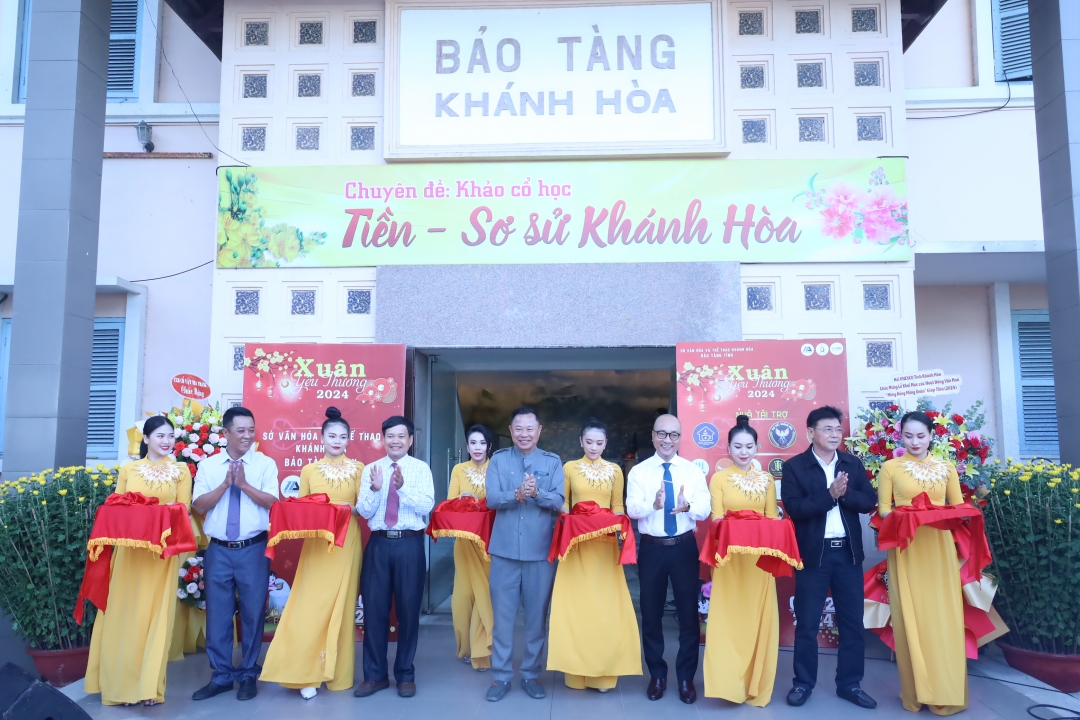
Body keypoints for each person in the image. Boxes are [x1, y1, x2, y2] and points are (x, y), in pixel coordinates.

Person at [84, 416, 192, 706]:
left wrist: (154, 515)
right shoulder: (128, 468)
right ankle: (118, 686)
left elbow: (184, 511)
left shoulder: (181, 471)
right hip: (128, 555)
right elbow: (115, 508)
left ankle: (148, 688)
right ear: (145, 439)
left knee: (155, 619)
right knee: (122, 615)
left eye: (170, 436)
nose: (166, 441)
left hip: (161, 557)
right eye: (159, 435)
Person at [261, 407, 365, 699]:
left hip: (346, 541)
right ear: (321, 438)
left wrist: (337, 511)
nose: (337, 440)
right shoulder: (308, 470)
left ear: (349, 439)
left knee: (342, 606)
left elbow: (362, 508)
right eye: (331, 435)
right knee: (309, 604)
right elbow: (302, 509)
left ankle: (337, 673)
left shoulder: (359, 469)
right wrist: (318, 515)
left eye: (342, 436)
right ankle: (305, 672)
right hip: (317, 544)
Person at [780, 406, 877, 709]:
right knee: (807, 625)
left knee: (852, 624)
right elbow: (795, 508)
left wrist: (843, 494)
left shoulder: (851, 463)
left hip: (848, 555)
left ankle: (849, 684)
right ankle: (803, 684)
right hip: (813, 557)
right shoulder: (796, 467)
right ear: (810, 432)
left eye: (838, 429)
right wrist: (829, 495)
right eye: (827, 429)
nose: (835, 435)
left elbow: (869, 501)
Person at [877, 411, 968, 715]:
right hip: (907, 548)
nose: (915, 442)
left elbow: (958, 509)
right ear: (899, 436)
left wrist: (934, 515)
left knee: (944, 617)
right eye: (908, 436)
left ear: (932, 435)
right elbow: (885, 513)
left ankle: (947, 691)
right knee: (911, 617)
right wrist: (911, 517)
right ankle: (916, 693)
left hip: (939, 549)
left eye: (921, 435)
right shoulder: (890, 467)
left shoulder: (946, 467)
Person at [191, 406, 279, 702]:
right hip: (218, 551)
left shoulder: (265, 464)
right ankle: (221, 675)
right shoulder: (209, 466)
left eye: (251, 429)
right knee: (218, 614)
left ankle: (248, 674)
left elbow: (273, 503)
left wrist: (243, 485)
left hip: (252, 550)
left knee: (254, 614)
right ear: (225, 433)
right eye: (240, 430)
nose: (247, 435)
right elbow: (199, 506)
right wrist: (227, 484)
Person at [547, 419, 642, 692]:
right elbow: (563, 504)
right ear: (580, 442)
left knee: (604, 608)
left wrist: (616, 521)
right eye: (589, 442)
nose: (593, 447)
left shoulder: (615, 470)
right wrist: (569, 519)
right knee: (575, 607)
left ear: (606, 444)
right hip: (575, 546)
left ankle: (603, 673)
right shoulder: (569, 468)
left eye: (599, 443)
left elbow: (618, 507)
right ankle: (576, 672)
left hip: (604, 548)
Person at [626, 413, 710, 704]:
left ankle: (686, 678)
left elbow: (705, 508)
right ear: (652, 436)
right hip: (652, 549)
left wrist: (688, 506)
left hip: (684, 547)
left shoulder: (692, 471)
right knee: (651, 614)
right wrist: (654, 504)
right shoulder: (639, 472)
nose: (667, 440)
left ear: (680, 438)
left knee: (688, 615)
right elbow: (632, 509)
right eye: (661, 434)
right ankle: (657, 675)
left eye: (673, 434)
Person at [484, 407, 565, 702]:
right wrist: (515, 495)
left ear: (539, 430)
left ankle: (531, 674)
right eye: (518, 428)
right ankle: (501, 677)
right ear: (510, 429)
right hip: (504, 552)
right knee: (502, 619)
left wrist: (536, 493)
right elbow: (492, 499)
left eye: (530, 429)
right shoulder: (499, 460)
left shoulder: (552, 462)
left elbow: (558, 500)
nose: (524, 434)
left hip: (540, 553)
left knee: (535, 619)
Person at [354, 416, 434, 699]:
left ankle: (405, 675)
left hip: (409, 546)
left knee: (408, 612)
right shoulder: (371, 469)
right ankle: (374, 676)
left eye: (401, 436)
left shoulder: (421, 469)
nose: (396, 440)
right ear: (383, 438)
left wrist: (401, 488)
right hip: (378, 546)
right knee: (374, 611)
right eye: (390, 436)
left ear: (410, 440)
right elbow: (363, 511)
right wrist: (376, 490)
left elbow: (427, 505)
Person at [702, 415, 780, 707]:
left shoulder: (767, 479)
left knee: (757, 619)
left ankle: (755, 684)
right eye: (738, 446)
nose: (744, 451)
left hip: (759, 562)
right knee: (728, 619)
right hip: (729, 560)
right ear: (729, 448)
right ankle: (727, 683)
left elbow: (772, 519)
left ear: (758, 448)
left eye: (749, 446)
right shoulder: (719, 478)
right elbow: (717, 520)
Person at [448, 424, 496, 671]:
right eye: (473, 443)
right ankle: (466, 647)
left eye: (482, 443)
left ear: (489, 446)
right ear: (467, 446)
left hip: (489, 542)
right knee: (462, 598)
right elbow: (450, 503)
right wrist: (461, 499)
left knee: (485, 595)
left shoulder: (496, 468)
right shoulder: (458, 469)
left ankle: (482, 650)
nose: (478, 448)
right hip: (465, 543)